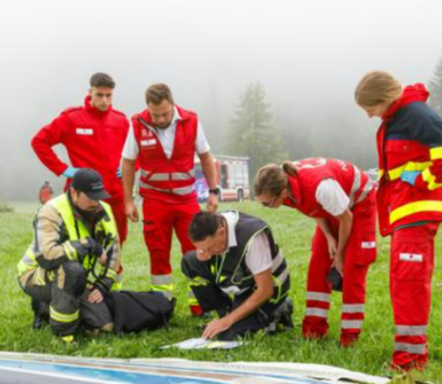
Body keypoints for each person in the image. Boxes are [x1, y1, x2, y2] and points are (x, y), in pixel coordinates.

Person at [355, 71, 442, 371]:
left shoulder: (414, 113)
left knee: (409, 283)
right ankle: (409, 354)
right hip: (404, 212)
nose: (369, 115)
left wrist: (424, 179)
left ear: (384, 99)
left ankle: (411, 360)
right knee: (402, 282)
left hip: (417, 211)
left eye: (370, 108)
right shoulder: (397, 118)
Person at [252, 158, 377, 347]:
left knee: (351, 269)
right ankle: (313, 331)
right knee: (318, 265)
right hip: (335, 207)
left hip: (358, 205)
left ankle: (349, 337)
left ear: (283, 193)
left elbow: (346, 218)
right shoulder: (288, 185)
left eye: (268, 204)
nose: (267, 208)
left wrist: (340, 255)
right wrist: (328, 237)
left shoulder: (321, 188)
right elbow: (313, 208)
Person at [121, 83, 220, 314]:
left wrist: (213, 191)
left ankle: (200, 305)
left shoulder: (191, 121)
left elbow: (205, 157)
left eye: (165, 113)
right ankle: (161, 307)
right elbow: (127, 162)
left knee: (198, 250)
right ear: (148, 109)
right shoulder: (137, 124)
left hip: (186, 201)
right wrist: (128, 200)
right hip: (155, 201)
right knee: (157, 251)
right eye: (155, 115)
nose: (160, 119)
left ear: (172, 105)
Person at [17, 169, 121, 342]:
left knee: (105, 324)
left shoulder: (105, 211)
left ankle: (51, 307)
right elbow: (47, 256)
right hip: (35, 276)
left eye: (99, 196)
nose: (96, 202)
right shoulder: (50, 211)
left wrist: (102, 285)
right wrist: (87, 245)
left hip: (75, 277)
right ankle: (63, 332)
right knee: (72, 271)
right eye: (90, 197)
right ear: (73, 192)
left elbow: (114, 253)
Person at [31, 72, 130, 244]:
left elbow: (137, 151)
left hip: (115, 195)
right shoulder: (71, 118)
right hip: (83, 195)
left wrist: (129, 169)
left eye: (109, 95)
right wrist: (64, 169)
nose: (104, 100)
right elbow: (39, 142)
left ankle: (114, 271)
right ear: (90, 92)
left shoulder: (120, 120)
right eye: (99, 95)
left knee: (116, 241)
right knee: (79, 242)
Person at [181, 212, 293, 341]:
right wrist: (202, 253)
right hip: (244, 284)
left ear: (221, 232)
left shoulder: (253, 238)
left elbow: (265, 290)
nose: (206, 253)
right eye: (202, 249)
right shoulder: (216, 225)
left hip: (267, 290)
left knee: (229, 335)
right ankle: (224, 314)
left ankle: (278, 310)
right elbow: (207, 253)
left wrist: (229, 321)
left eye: (209, 248)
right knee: (191, 261)